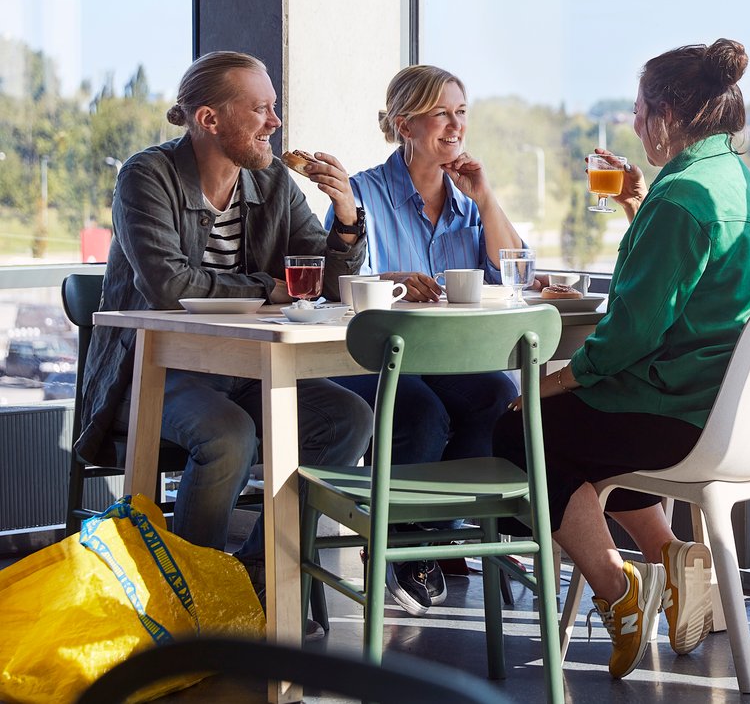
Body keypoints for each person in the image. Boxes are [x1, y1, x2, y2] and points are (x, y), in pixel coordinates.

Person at [492, 38, 750, 679]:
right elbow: (681, 287)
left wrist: (557, 377)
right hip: (731, 409)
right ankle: (671, 557)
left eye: (637, 107)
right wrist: (636, 203)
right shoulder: (733, 180)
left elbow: (631, 331)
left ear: (668, 116)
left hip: (684, 413)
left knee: (522, 428)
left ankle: (618, 591)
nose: (631, 120)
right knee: (582, 425)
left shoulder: (681, 199)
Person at [75, 51, 373, 602]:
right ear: (209, 120)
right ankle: (193, 597)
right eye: (260, 109)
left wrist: (348, 222)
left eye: (275, 108)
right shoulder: (148, 175)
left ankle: (258, 578)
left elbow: (320, 278)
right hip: (153, 372)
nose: (275, 124)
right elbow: (168, 284)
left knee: (349, 417)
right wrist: (267, 287)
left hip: (242, 370)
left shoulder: (275, 181)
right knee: (228, 435)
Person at [318, 65, 526, 615]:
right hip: (367, 359)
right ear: (405, 124)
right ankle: (404, 551)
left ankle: (425, 544)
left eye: (461, 112)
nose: (455, 125)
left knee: (496, 398)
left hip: (444, 359)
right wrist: (390, 282)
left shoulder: (467, 201)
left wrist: (486, 198)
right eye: (442, 113)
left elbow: (513, 276)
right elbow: (333, 288)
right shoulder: (362, 193)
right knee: (420, 414)